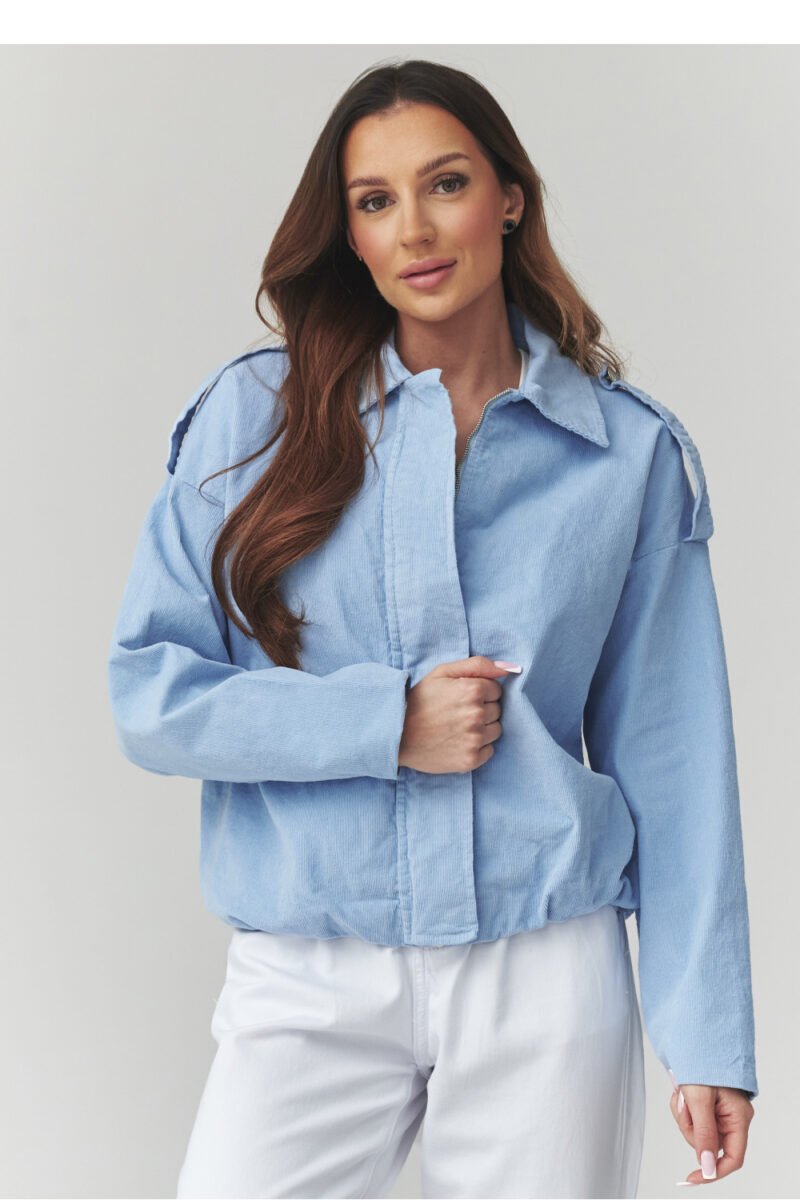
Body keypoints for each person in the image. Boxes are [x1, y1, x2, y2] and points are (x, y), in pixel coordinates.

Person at [107, 59, 758, 1199]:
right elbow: (150, 697)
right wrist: (385, 724)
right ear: (349, 234)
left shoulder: (625, 453)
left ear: (508, 198)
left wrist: (706, 1033)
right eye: (374, 200)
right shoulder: (252, 420)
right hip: (309, 965)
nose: (412, 228)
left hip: (544, 970)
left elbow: (675, 754)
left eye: (444, 183)